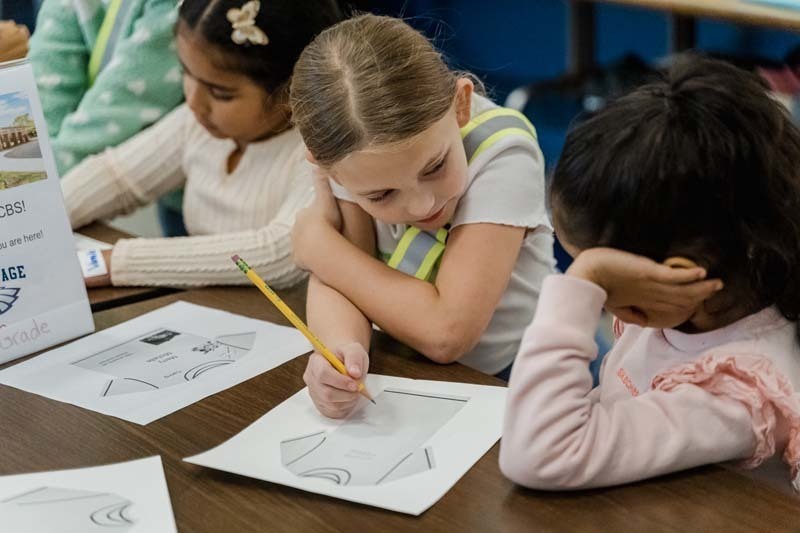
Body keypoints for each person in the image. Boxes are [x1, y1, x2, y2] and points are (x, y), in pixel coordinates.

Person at [500, 55, 800, 492]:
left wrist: (581, 282)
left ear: (676, 274)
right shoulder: (686, 305)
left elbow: (539, 455)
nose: (597, 300)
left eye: (605, 283)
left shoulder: (736, 392)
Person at [290, 14, 554, 418]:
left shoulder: (504, 156)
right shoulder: (352, 151)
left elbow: (446, 333)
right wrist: (340, 348)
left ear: (460, 104)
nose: (421, 206)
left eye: (434, 167)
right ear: (324, 167)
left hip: (521, 375)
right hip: (419, 374)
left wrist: (318, 247)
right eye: (380, 195)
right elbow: (342, 283)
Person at [61, 0, 343, 288]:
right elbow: (117, 176)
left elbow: (282, 251)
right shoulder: (196, 123)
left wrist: (111, 262)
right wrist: (38, 220)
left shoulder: (317, 154)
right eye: (186, 72)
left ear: (292, 91)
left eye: (220, 93)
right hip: (202, 308)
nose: (194, 102)